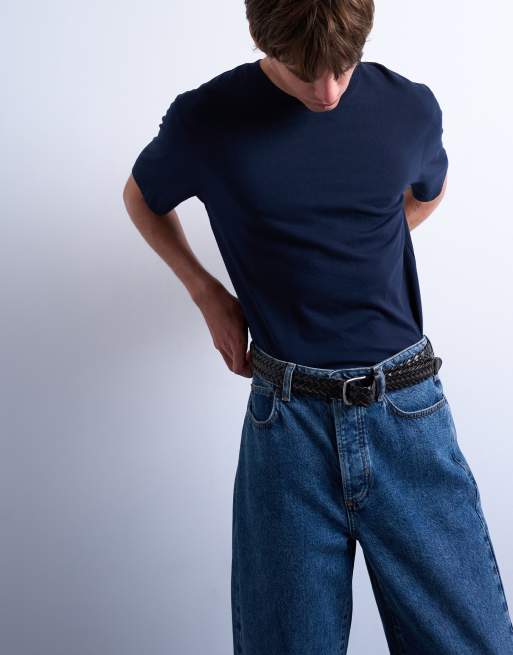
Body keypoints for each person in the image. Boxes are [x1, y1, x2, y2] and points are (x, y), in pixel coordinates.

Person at [123, 1, 513, 652]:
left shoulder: (409, 109)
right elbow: (142, 197)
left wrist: (366, 240)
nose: (328, 92)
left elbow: (427, 190)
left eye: (343, 67)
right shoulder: (207, 119)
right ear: (263, 39)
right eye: (306, 72)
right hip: (287, 426)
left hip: (406, 411)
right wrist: (206, 293)